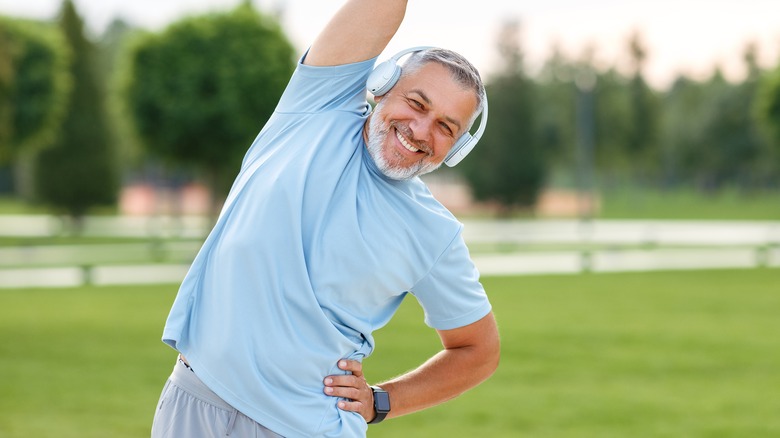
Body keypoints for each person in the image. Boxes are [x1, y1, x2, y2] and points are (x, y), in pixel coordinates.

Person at [151, 1, 500, 437]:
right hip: (195, 400)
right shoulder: (315, 108)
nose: (421, 129)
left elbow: (478, 350)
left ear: (456, 148)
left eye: (446, 127)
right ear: (381, 85)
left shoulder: (435, 233)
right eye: (416, 103)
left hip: (304, 428)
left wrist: (383, 401)